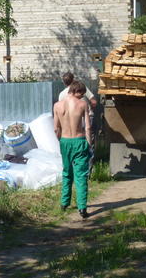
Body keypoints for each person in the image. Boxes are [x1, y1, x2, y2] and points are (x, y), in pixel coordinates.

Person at [53, 80, 92, 219]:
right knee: (81, 176)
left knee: (67, 172)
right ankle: (82, 209)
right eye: (81, 94)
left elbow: (56, 128)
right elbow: (87, 127)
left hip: (65, 141)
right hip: (79, 141)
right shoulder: (82, 104)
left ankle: (64, 204)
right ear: (77, 91)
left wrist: (61, 141)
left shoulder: (57, 105)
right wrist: (89, 144)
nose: (82, 97)